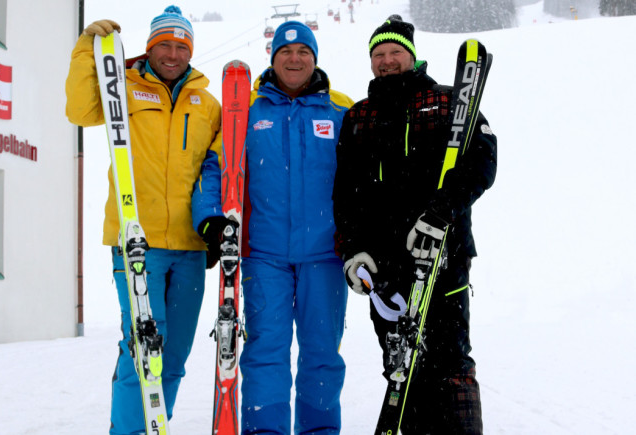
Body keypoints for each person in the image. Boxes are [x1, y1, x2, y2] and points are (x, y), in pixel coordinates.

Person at [333, 15, 497, 434]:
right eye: (379, 55)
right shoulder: (358, 117)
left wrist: (441, 213)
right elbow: (345, 193)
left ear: (411, 55)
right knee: (402, 366)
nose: (387, 61)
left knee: (450, 363)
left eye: (395, 53)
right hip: (385, 270)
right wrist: (353, 250)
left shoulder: (445, 102)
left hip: (443, 254)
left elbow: (482, 162)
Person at [65, 6, 222, 434]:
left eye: (181, 46)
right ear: (149, 48)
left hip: (190, 248)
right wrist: (86, 53)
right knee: (143, 350)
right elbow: (80, 112)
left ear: (190, 50)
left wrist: (212, 225)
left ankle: (155, 426)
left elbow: (217, 167)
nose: (172, 54)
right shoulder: (124, 86)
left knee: (174, 358)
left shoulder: (207, 104)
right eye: (163, 45)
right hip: (138, 241)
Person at [192, 21, 354, 435]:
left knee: (322, 355)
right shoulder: (244, 110)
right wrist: (210, 217)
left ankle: (319, 431)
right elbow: (216, 170)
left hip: (326, 255)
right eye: (285, 52)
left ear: (314, 58)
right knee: (266, 352)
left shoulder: (340, 110)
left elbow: (365, 176)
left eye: (303, 51)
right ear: (273, 58)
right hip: (264, 256)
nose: (294, 58)